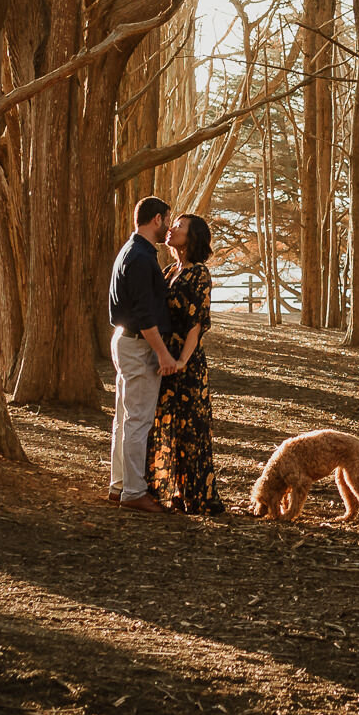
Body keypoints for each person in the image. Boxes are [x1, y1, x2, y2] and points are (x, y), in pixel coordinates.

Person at [146, 212, 227, 514]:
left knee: (191, 431)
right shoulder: (169, 271)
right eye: (173, 224)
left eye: (179, 227)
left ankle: (198, 496)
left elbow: (196, 325)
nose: (171, 229)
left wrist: (182, 361)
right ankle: (169, 491)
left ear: (191, 238)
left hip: (186, 363)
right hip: (164, 359)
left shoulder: (200, 274)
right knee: (165, 426)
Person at [107, 197, 174, 514]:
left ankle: (119, 483)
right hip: (138, 344)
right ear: (157, 219)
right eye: (167, 221)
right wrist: (162, 353)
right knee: (138, 420)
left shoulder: (130, 250)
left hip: (125, 339)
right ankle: (133, 491)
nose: (168, 228)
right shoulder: (141, 258)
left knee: (124, 417)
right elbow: (146, 316)